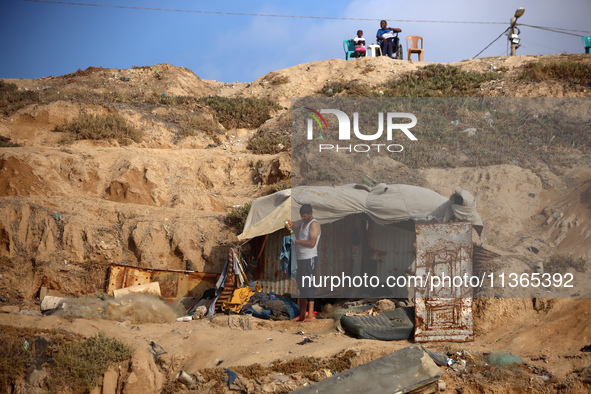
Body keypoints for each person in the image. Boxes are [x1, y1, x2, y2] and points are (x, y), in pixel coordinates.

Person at [289, 204, 321, 322]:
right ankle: (302, 314)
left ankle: (311, 314)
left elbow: (312, 243)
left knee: (308, 286)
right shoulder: (303, 222)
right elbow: (294, 224)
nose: (303, 218)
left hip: (310, 258)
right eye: (301, 216)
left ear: (310, 214)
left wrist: (296, 241)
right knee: (301, 287)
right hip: (301, 258)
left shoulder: (314, 224)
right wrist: (289, 224)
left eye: (305, 216)